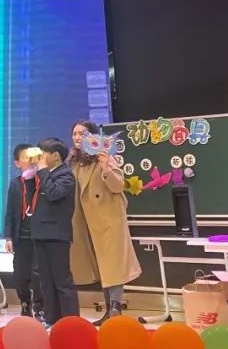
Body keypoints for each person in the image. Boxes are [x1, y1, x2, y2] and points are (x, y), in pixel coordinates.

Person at [69, 120, 141, 324]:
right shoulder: (74, 162)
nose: (77, 137)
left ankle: (115, 308)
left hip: (109, 221)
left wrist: (106, 169)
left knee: (113, 265)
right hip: (86, 222)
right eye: (74, 133)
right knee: (102, 266)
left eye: (82, 133)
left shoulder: (104, 157)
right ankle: (109, 309)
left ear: (93, 137)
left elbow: (118, 186)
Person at [32, 138, 79, 326]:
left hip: (56, 235)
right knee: (46, 281)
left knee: (62, 281)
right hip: (41, 233)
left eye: (43, 154)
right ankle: (52, 320)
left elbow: (53, 193)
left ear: (56, 156)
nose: (39, 158)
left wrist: (43, 171)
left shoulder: (66, 175)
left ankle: (70, 323)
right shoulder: (46, 175)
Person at [4, 144, 44, 319]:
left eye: (32, 157)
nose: (30, 161)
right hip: (21, 236)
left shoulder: (42, 181)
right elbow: (10, 212)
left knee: (38, 273)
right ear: (17, 163)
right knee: (20, 274)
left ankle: (39, 306)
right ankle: (25, 303)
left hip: (39, 235)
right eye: (25, 157)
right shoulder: (15, 184)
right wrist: (8, 237)